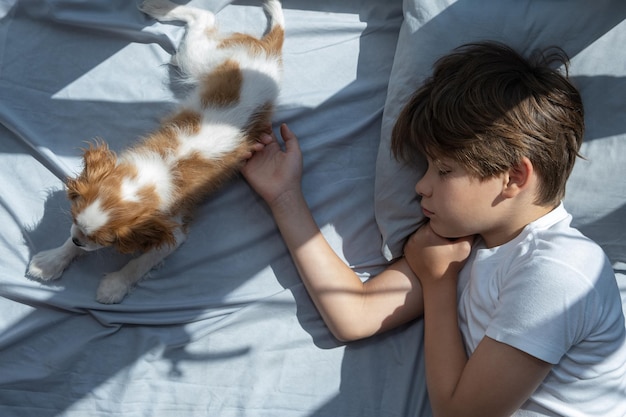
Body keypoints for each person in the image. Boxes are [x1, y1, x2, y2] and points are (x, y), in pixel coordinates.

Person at [241, 41, 626, 417]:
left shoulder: (559, 269)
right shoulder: (463, 246)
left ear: (514, 177)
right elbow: (354, 315)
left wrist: (440, 284)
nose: (420, 186)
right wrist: (285, 196)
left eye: (443, 171)